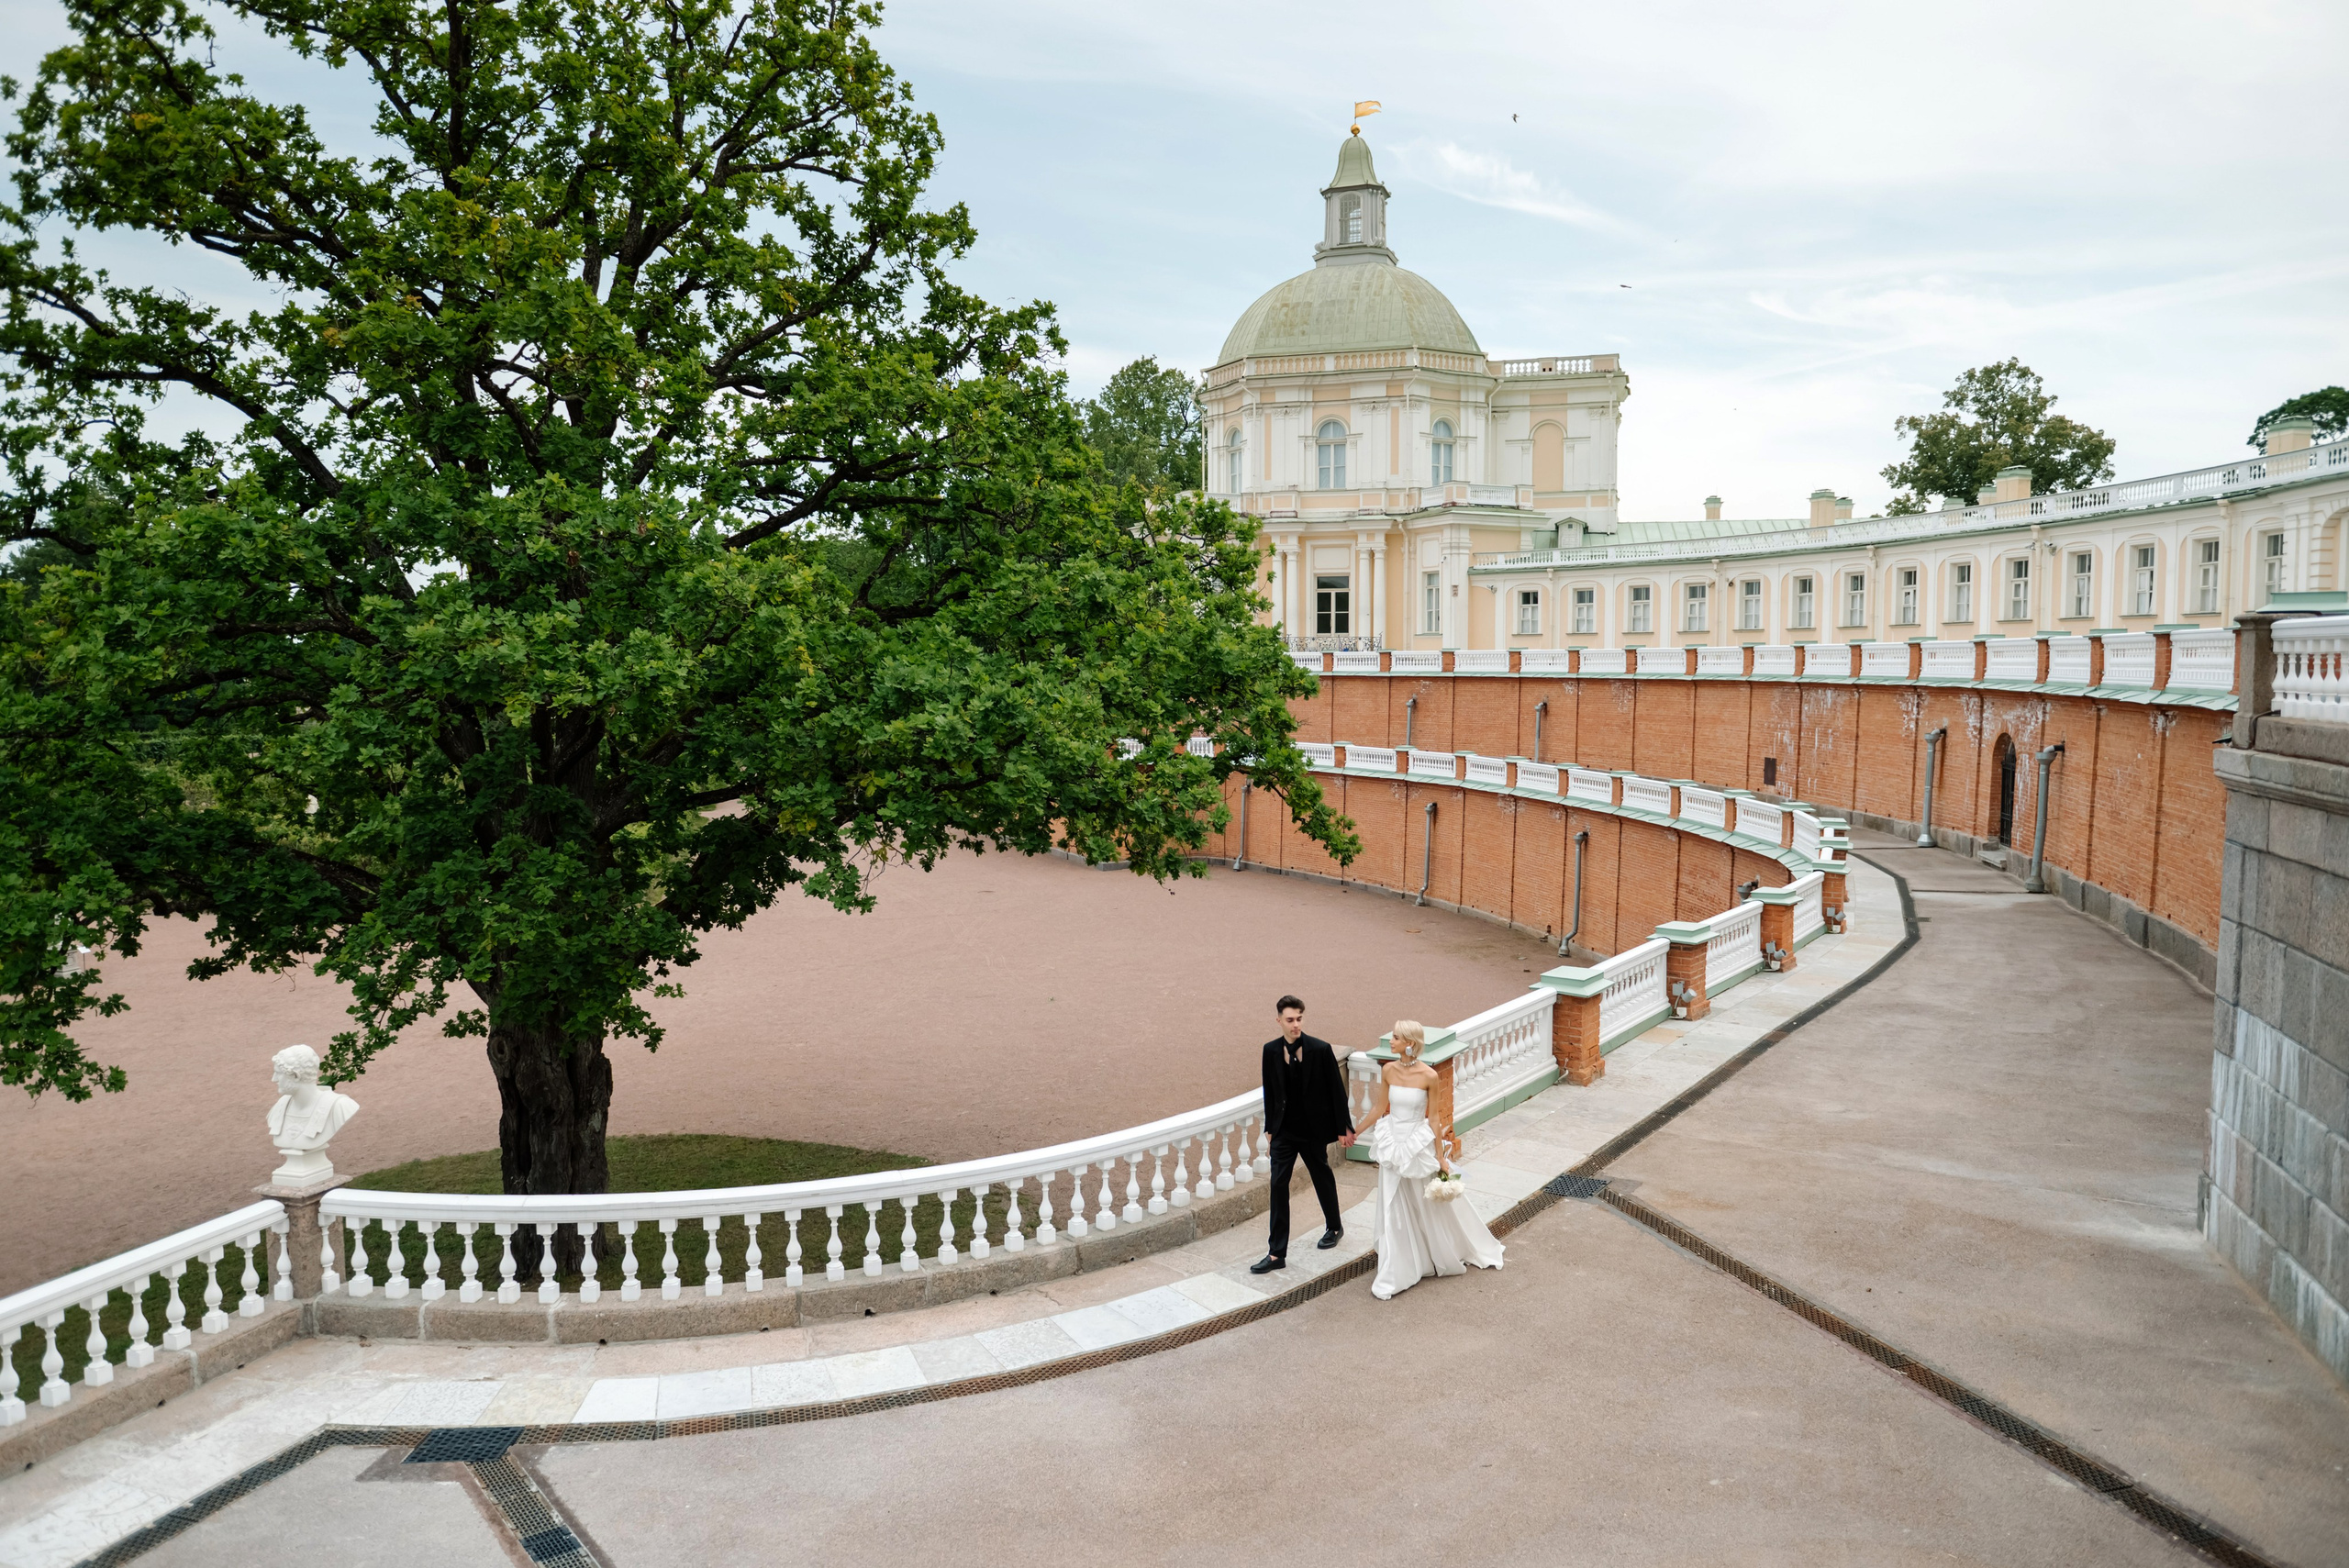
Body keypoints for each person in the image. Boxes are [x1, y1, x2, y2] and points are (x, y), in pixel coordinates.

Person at [1351, 1018, 1504, 1301]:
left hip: (1416, 1144)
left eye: (1396, 1037)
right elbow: (1379, 1108)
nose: (1391, 1041)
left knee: (1425, 1204)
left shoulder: (1429, 1076)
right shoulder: (1387, 1070)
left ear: (1410, 1043)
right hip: (1391, 1143)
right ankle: (1398, 1262)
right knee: (1392, 1201)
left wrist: (1440, 1157)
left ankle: (1435, 1251)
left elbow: (1434, 1118)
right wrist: (1354, 1132)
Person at [1250, 995, 1352, 1275]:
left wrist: (1345, 1127)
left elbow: (1336, 1090)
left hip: (1312, 1130)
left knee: (1321, 1176)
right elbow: (1269, 1091)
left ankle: (1334, 1226)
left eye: (1299, 1019)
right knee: (1278, 1186)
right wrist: (1270, 1128)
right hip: (1284, 1132)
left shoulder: (1320, 1049)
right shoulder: (1270, 1050)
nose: (1296, 1025)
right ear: (1279, 1020)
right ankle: (1276, 1253)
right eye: (1290, 1020)